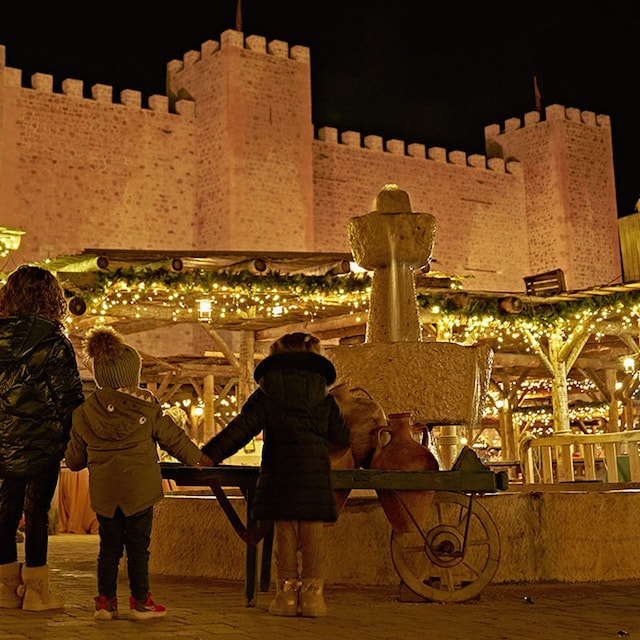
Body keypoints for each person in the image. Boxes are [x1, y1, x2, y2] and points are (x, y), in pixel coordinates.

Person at [64, 325, 213, 621]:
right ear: (132, 375)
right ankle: (140, 602)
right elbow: (175, 439)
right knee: (138, 549)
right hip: (140, 491)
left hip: (105, 493)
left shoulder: (84, 412)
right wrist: (200, 459)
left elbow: (75, 460)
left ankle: (105, 603)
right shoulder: (148, 407)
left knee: (108, 549)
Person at [201, 331, 350, 618]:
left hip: (280, 472)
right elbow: (342, 437)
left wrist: (211, 453)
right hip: (314, 475)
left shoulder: (268, 392)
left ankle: (286, 596)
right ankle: (313, 599)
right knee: (312, 535)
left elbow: (243, 428)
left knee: (285, 534)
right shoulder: (323, 395)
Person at [0, 265, 85, 611]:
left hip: (2, 441)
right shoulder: (53, 342)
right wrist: (76, 441)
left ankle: (5, 589)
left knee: (4, 512)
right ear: (52, 299)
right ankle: (36, 592)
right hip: (43, 443)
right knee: (36, 515)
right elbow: (69, 399)